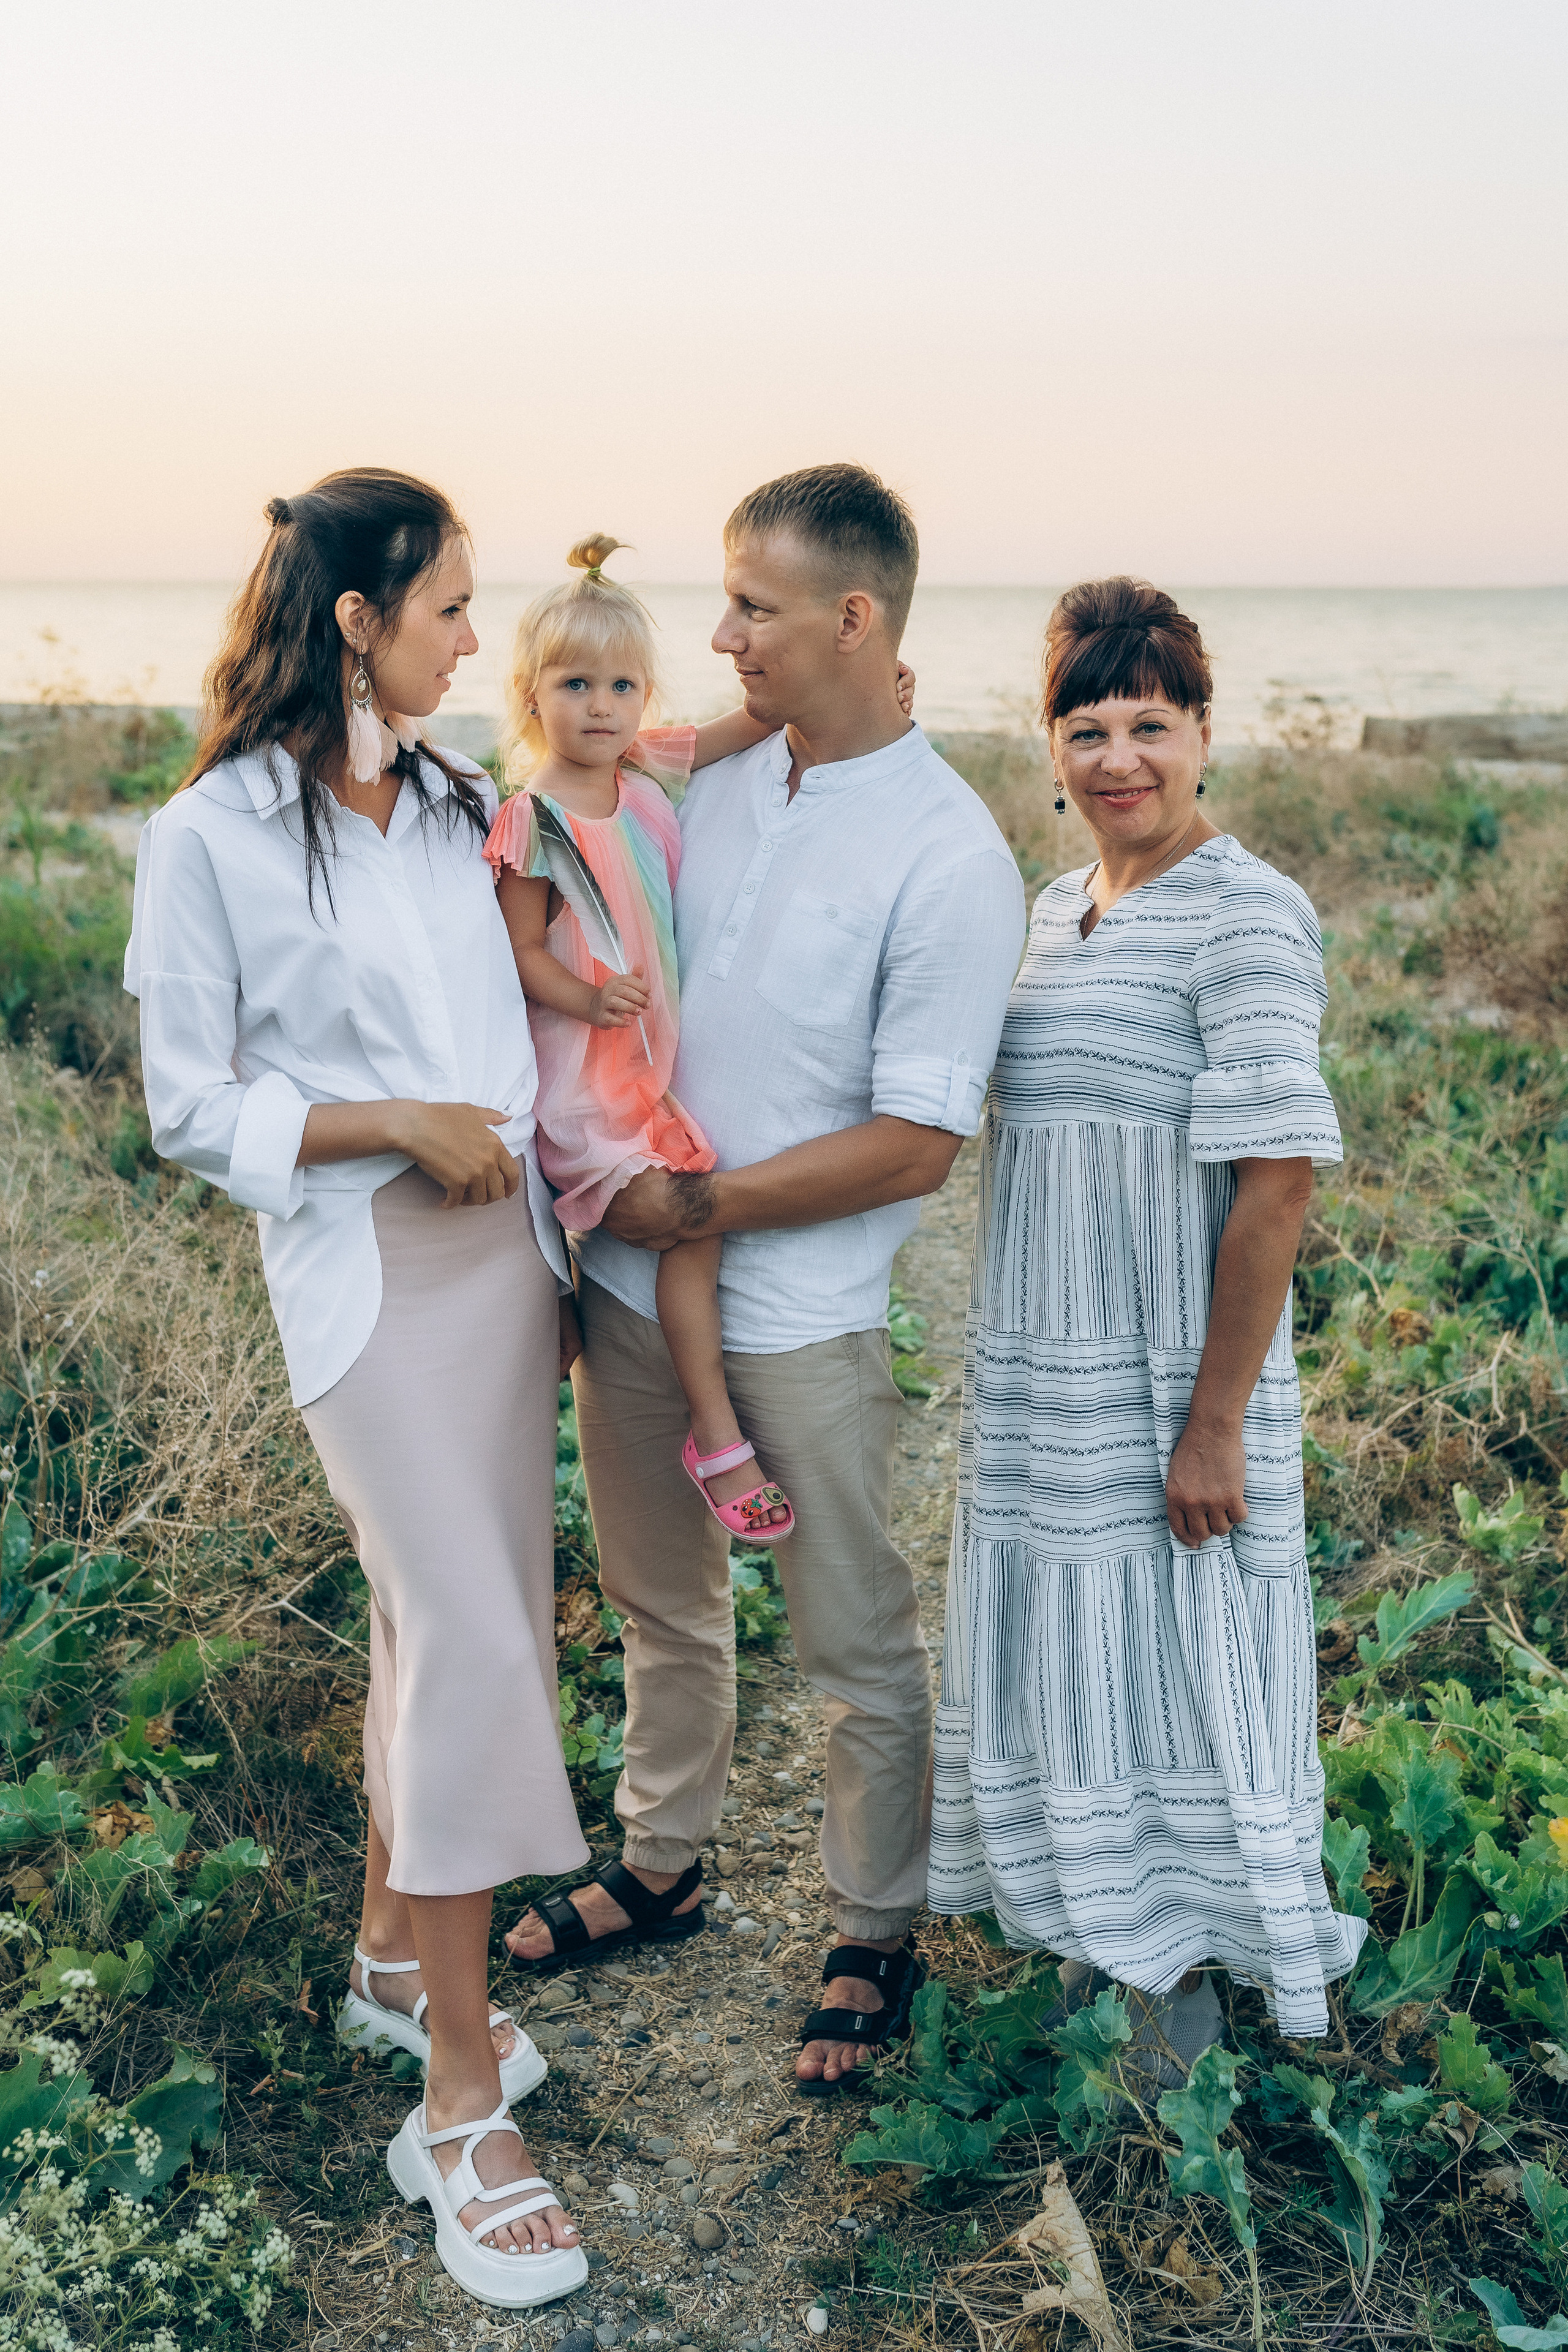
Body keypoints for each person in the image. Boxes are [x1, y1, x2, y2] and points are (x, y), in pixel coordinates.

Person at [125, 469, 590, 2307]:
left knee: (441, 1621)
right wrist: (393, 1121)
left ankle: (396, 1958)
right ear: (353, 618)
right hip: (369, 1271)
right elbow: (187, 1103)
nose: (477, 641)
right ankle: (457, 2108)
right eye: (452, 608)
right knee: (473, 1633)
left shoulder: (459, 803)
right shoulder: (209, 835)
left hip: (510, 1262)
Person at [505, 464, 1026, 2094]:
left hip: (795, 1320)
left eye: (754, 607)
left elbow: (920, 1142)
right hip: (628, 1281)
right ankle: (662, 1862)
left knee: (852, 1641)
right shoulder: (711, 779)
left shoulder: (947, 853)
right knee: (659, 1601)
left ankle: (874, 1926)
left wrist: (704, 1205)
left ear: (856, 619)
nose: (720, 636)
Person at [928, 576, 1366, 2056]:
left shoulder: (1247, 914)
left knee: (1185, 1660)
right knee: (1073, 1650)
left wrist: (1213, 1424)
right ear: (1049, 748)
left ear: (1201, 737)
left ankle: (1182, 1997)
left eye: (1149, 725)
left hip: (1174, 1368)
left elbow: (1275, 1186)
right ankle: (1097, 1929)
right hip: (1047, 1363)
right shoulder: (1053, 909)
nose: (1117, 758)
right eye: (1086, 729)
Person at [486, 536, 914, 1546]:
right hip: (585, 1078)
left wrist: (880, 695)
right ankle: (715, 1434)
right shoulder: (532, 819)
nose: (602, 707)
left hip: (646, 1070)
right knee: (691, 1219)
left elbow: (758, 718)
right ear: (531, 695)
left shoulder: (644, 769)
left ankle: (689, 1411)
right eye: (575, 684)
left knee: (691, 1221)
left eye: (623, 686)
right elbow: (519, 952)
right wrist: (587, 996)